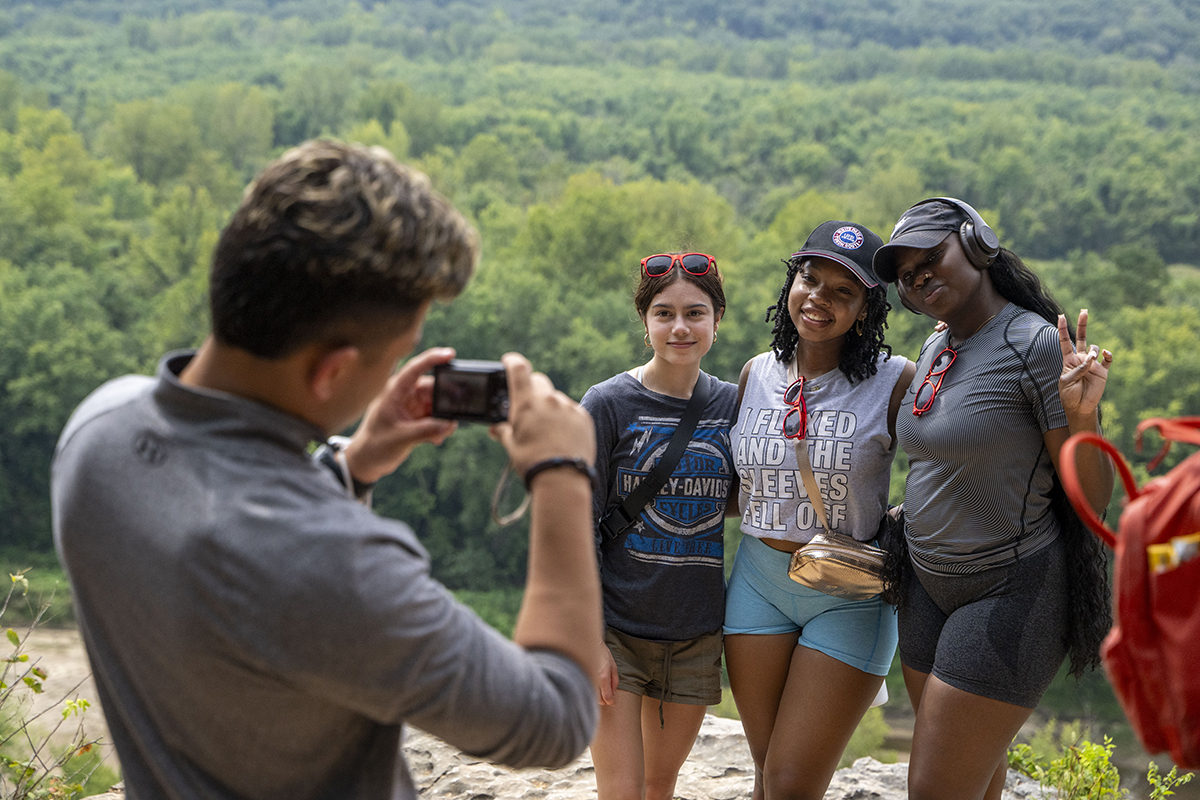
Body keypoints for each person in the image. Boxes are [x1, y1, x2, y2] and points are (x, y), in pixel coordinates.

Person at [50, 140, 605, 800]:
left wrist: (356, 461)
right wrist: (563, 473)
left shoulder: (98, 430)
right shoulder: (336, 564)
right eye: (391, 357)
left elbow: (240, 521)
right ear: (333, 370)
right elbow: (556, 715)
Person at [871, 197, 1115, 800]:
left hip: (1009, 590)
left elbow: (1093, 499)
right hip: (925, 583)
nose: (920, 276)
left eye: (932, 257)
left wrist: (1084, 418)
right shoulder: (938, 346)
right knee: (971, 776)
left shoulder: (1032, 344)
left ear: (977, 245)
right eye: (907, 275)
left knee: (933, 789)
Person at [724, 220, 916, 800]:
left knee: (789, 783)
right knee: (768, 775)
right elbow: (742, 486)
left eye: (843, 292)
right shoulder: (756, 374)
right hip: (757, 580)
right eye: (811, 279)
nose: (820, 299)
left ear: (864, 309)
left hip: (849, 591)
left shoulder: (896, 381)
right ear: (791, 283)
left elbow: (953, 459)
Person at [581, 252, 739, 800]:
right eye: (664, 313)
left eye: (695, 313)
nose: (680, 327)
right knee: (621, 789)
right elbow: (577, 524)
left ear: (718, 319)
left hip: (694, 631)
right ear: (644, 322)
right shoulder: (608, 404)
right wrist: (590, 638)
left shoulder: (733, 404)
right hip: (617, 628)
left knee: (659, 783)